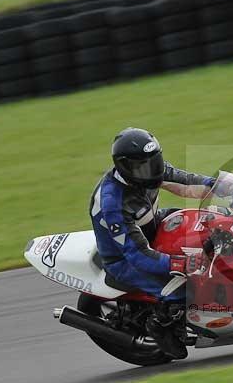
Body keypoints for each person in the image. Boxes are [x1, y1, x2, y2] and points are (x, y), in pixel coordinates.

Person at [89, 127, 215, 358]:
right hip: (125, 259)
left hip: (152, 224)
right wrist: (182, 264)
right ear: (125, 167)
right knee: (184, 288)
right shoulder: (113, 202)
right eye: (144, 166)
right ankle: (159, 325)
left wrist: (222, 185)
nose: (153, 170)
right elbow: (136, 255)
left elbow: (186, 182)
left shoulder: (149, 169)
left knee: (207, 222)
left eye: (155, 161)